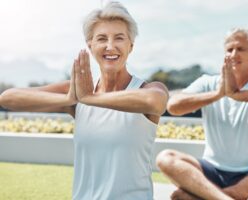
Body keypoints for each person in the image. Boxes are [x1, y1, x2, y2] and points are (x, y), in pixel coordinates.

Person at [0, 2, 168, 200]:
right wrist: (70, 98)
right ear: (90, 45)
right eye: (102, 38)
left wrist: (91, 98)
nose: (110, 46)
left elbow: (156, 101)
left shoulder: (145, 89)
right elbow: (8, 98)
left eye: (119, 38)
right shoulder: (78, 93)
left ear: (131, 45)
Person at [156, 28, 248, 200]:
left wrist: (238, 95)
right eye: (230, 49)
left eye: (241, 49)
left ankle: (207, 197)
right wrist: (218, 94)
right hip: (211, 171)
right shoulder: (208, 82)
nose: (234, 54)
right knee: (166, 158)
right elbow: (173, 106)